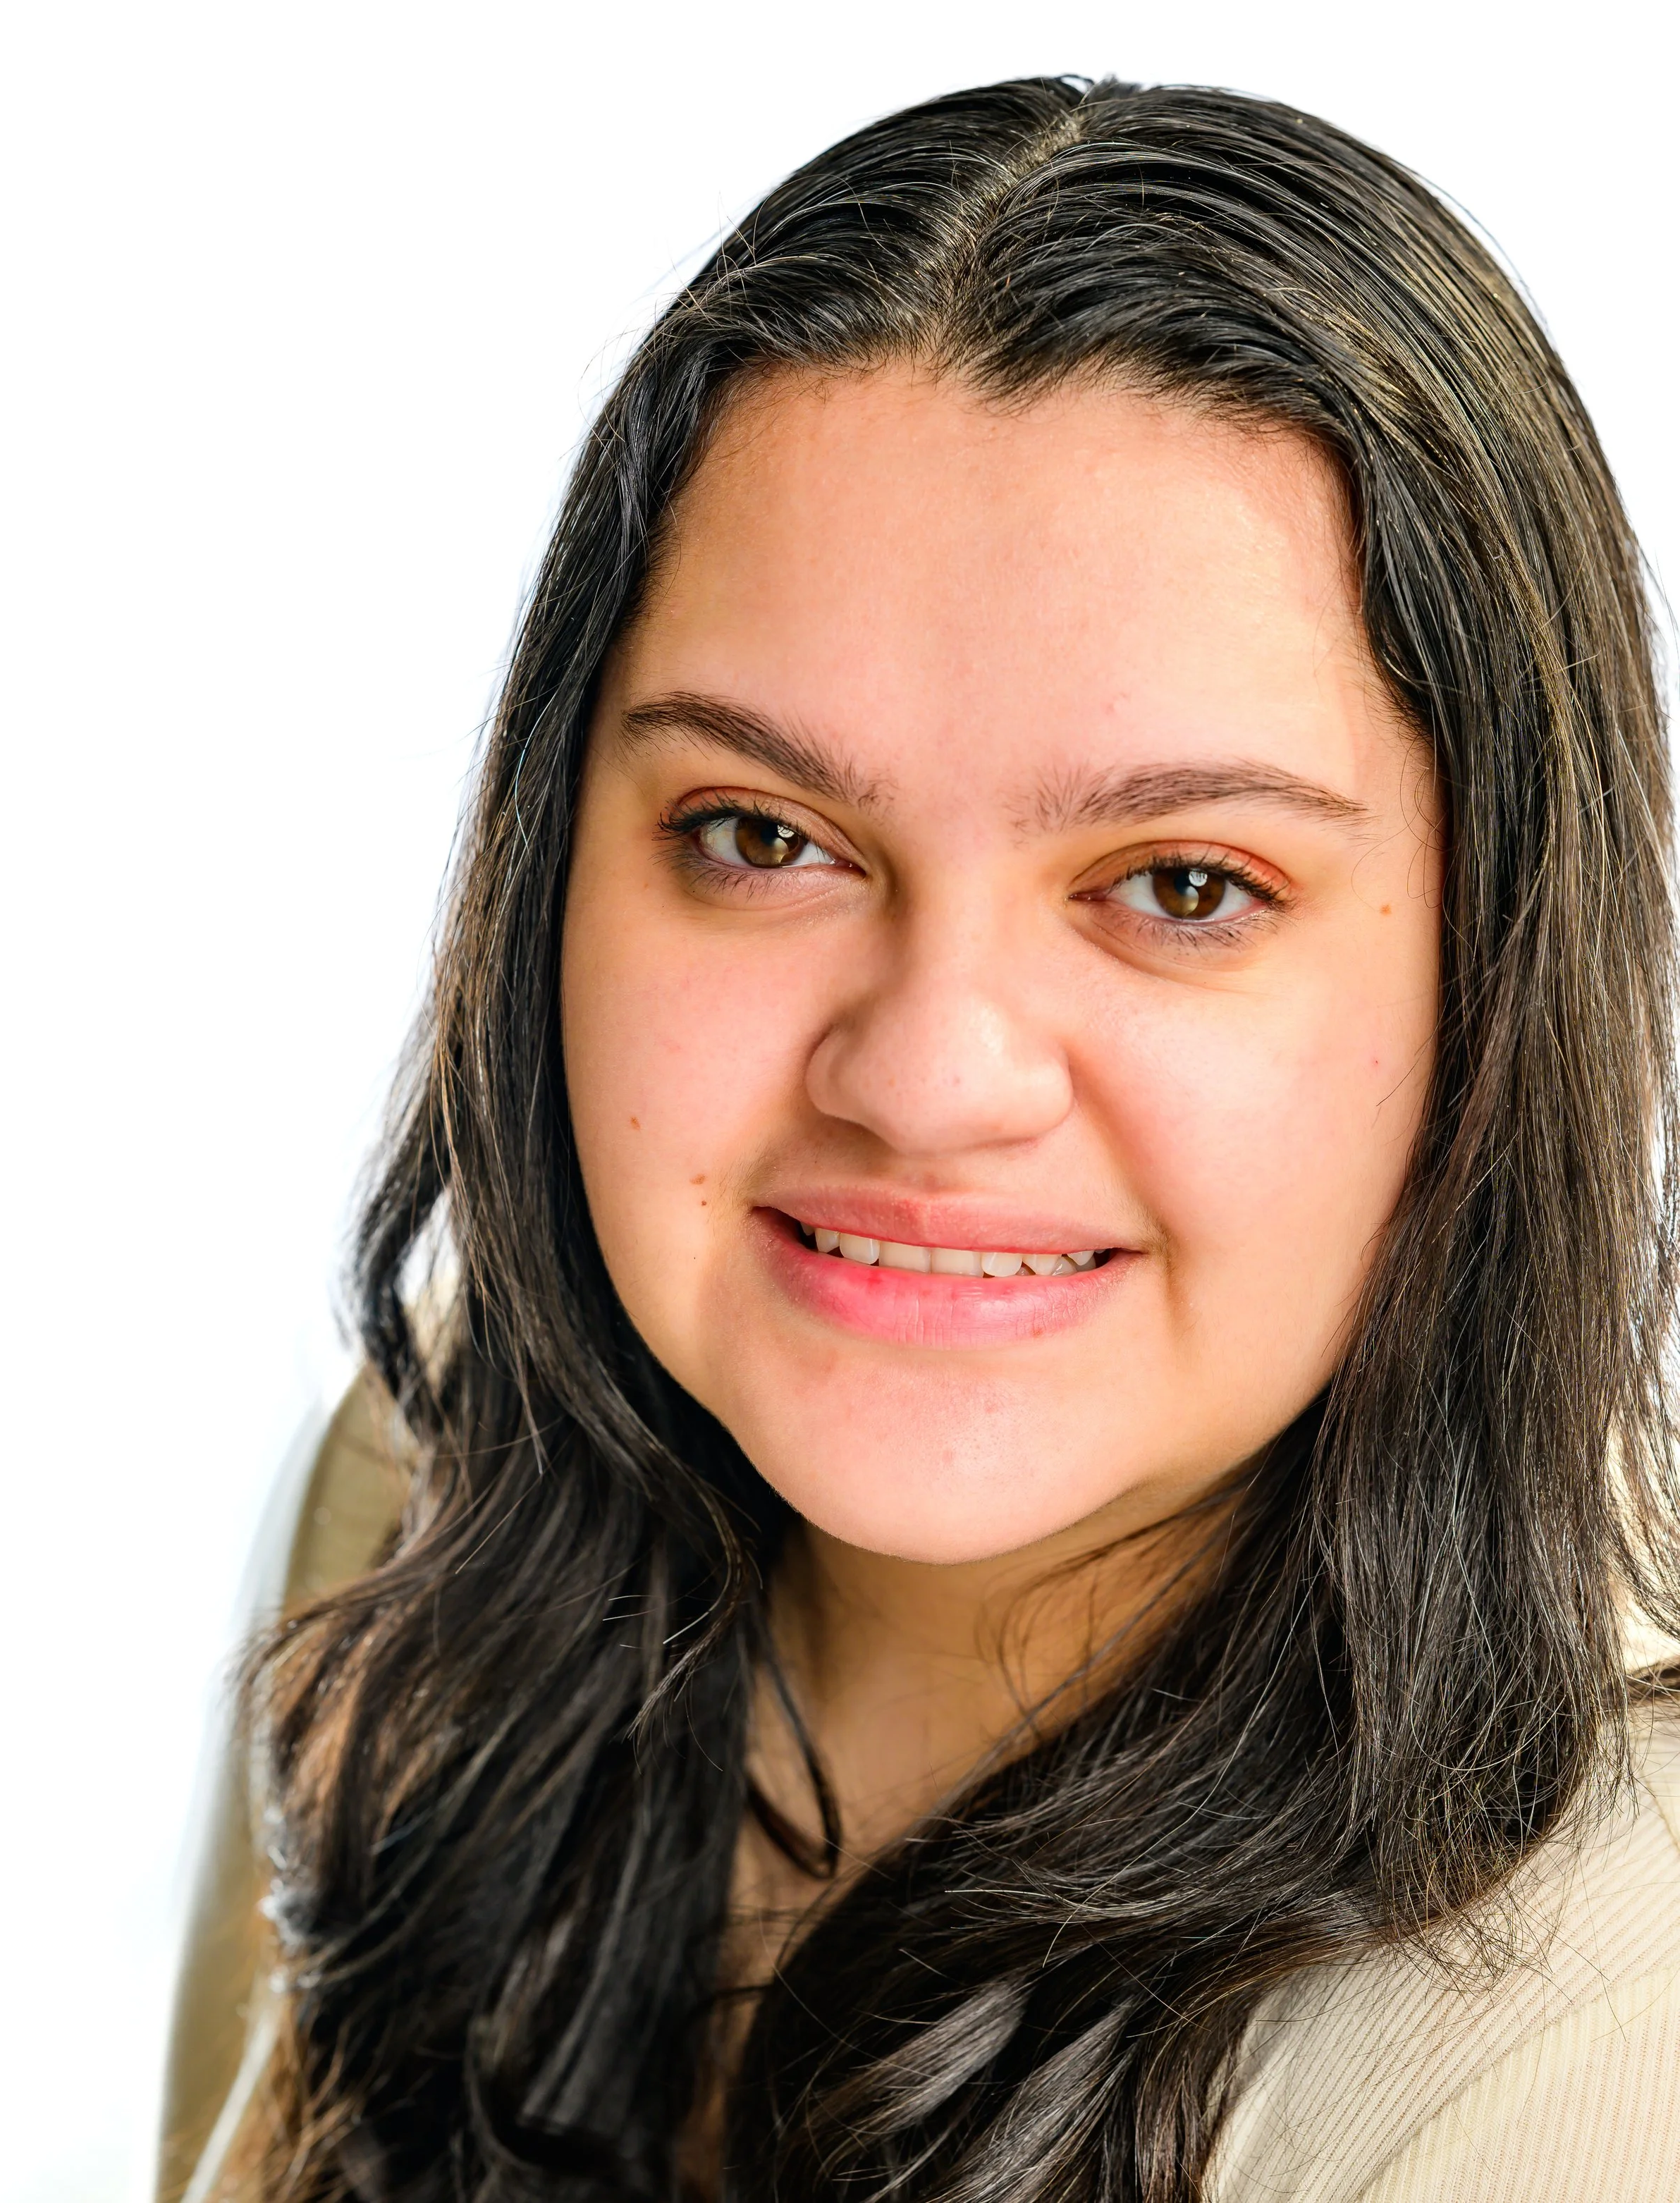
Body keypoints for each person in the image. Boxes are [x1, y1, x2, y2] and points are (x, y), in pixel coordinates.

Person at [161, 75, 1680, 2203]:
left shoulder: (1604, 2049)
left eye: (1182, 885)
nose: (927, 1073)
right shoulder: (426, 1499)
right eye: (761, 835)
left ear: (1497, 976)